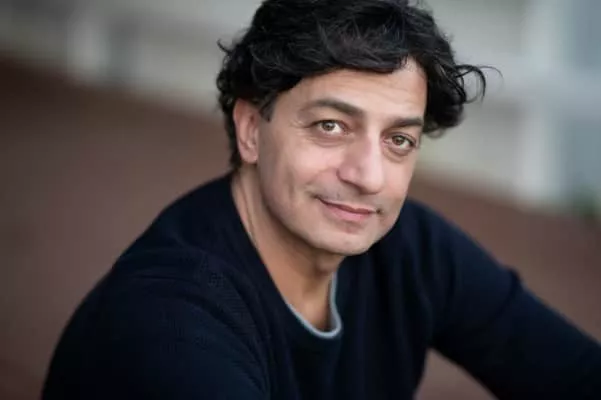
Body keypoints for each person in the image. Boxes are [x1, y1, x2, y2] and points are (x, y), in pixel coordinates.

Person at [43, 0, 601, 399]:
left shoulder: (411, 249)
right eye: (331, 126)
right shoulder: (173, 328)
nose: (369, 177)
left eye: (398, 139)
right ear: (251, 129)